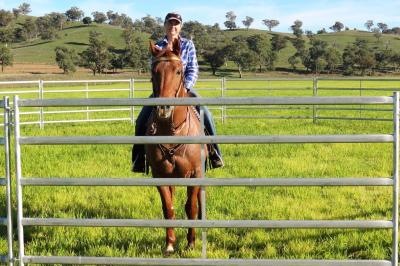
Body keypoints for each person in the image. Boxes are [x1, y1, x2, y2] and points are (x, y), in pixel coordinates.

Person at [132, 12, 224, 173]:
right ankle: (139, 158)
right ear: (165, 25)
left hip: (183, 90)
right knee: (141, 120)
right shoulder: (158, 46)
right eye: (170, 23)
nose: (173, 26)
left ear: (180, 27)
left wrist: (186, 88)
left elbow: (193, 69)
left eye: (176, 24)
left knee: (207, 115)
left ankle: (215, 153)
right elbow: (154, 70)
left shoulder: (188, 45)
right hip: (161, 91)